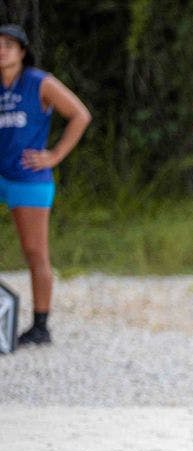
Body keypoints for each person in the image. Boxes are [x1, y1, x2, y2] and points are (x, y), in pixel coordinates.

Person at [0, 23, 90, 346]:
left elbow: (80, 115)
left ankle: (40, 326)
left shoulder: (39, 82)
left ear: (22, 51)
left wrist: (54, 156)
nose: (2, 50)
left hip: (29, 176)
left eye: (9, 45)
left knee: (35, 251)